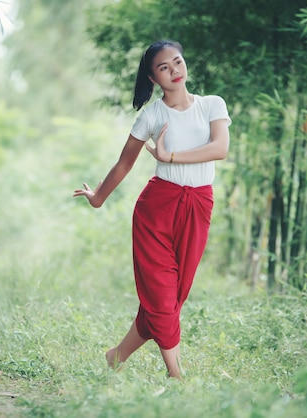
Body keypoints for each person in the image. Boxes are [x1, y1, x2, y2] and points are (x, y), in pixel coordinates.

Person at [73, 40, 231, 379]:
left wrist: (169, 156)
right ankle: (176, 375)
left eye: (177, 62)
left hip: (198, 205)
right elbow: (123, 164)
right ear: (153, 76)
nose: (174, 70)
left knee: (172, 297)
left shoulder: (212, 105)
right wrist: (98, 197)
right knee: (161, 297)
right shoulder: (152, 115)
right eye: (164, 67)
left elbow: (220, 148)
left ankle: (116, 356)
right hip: (156, 210)